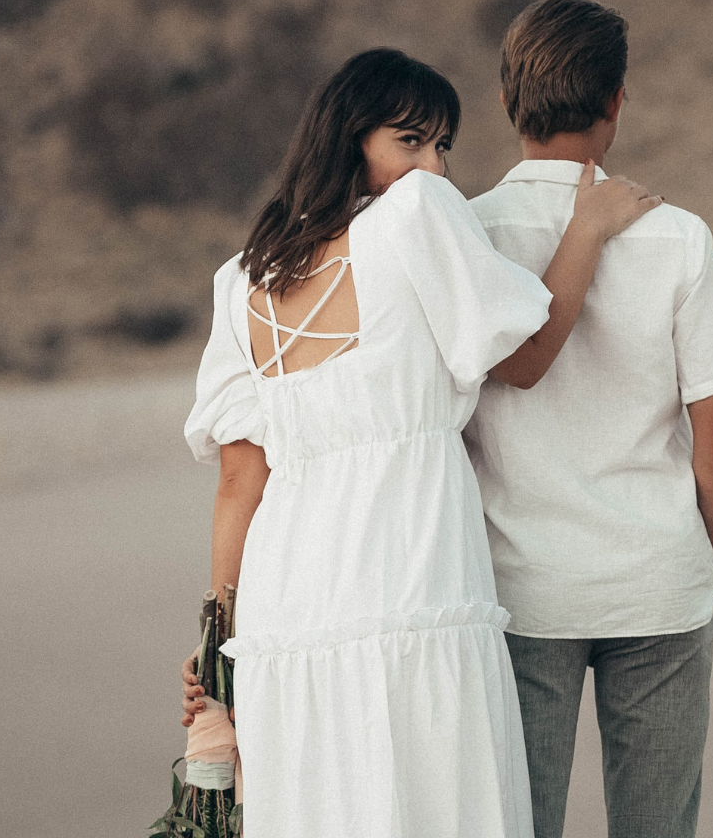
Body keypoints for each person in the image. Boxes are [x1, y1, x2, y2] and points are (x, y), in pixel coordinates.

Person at [178, 47, 660, 838]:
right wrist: (589, 230)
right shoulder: (417, 217)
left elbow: (241, 481)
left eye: (442, 147)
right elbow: (527, 359)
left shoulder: (242, 280)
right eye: (410, 142)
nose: (432, 167)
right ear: (348, 139)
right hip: (408, 568)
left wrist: (217, 643)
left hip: (287, 601)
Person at [467, 0, 713, 838]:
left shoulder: (466, 235)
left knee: (521, 823)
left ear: (510, 97)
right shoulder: (678, 237)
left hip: (518, 588)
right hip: (657, 579)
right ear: (616, 101)